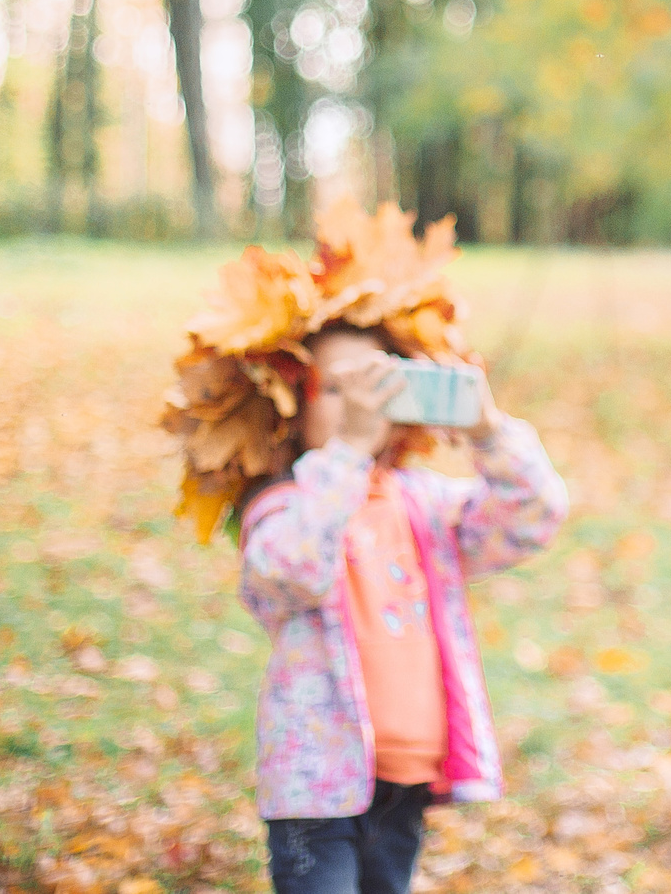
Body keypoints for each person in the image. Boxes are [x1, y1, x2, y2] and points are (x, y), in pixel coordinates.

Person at [239, 325, 569, 894]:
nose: (360, 406)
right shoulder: (284, 507)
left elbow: (533, 516)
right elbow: (294, 570)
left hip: (408, 777)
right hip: (315, 782)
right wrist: (347, 453)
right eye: (337, 389)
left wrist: (488, 430)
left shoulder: (425, 504)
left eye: (377, 387)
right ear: (292, 410)